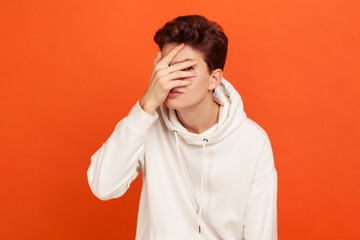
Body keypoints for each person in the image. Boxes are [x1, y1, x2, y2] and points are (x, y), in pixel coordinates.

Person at [87, 14, 278, 240]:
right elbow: (103, 186)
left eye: (186, 69)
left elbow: (261, 234)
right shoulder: (147, 124)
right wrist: (147, 103)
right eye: (167, 68)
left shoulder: (252, 141)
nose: (172, 79)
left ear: (214, 79)